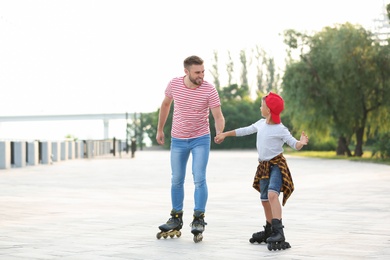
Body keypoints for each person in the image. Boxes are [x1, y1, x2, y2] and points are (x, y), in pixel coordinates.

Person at [215, 92, 308, 250]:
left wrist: (301, 142)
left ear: (269, 110)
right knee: (264, 199)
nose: (260, 107)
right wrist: (225, 134)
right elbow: (244, 130)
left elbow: (294, 144)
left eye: (262, 105)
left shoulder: (281, 129)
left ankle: (279, 232)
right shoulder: (260, 123)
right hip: (263, 166)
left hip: (277, 165)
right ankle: (269, 229)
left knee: (272, 195)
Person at [155, 55, 225, 243]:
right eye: (197, 72)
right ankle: (176, 217)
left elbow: (218, 115)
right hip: (178, 139)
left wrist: (219, 131)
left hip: (200, 139)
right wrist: (160, 129)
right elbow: (166, 104)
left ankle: (198, 218)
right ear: (186, 71)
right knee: (176, 179)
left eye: (203, 71)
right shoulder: (174, 84)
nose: (201, 75)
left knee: (199, 177)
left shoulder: (209, 89)